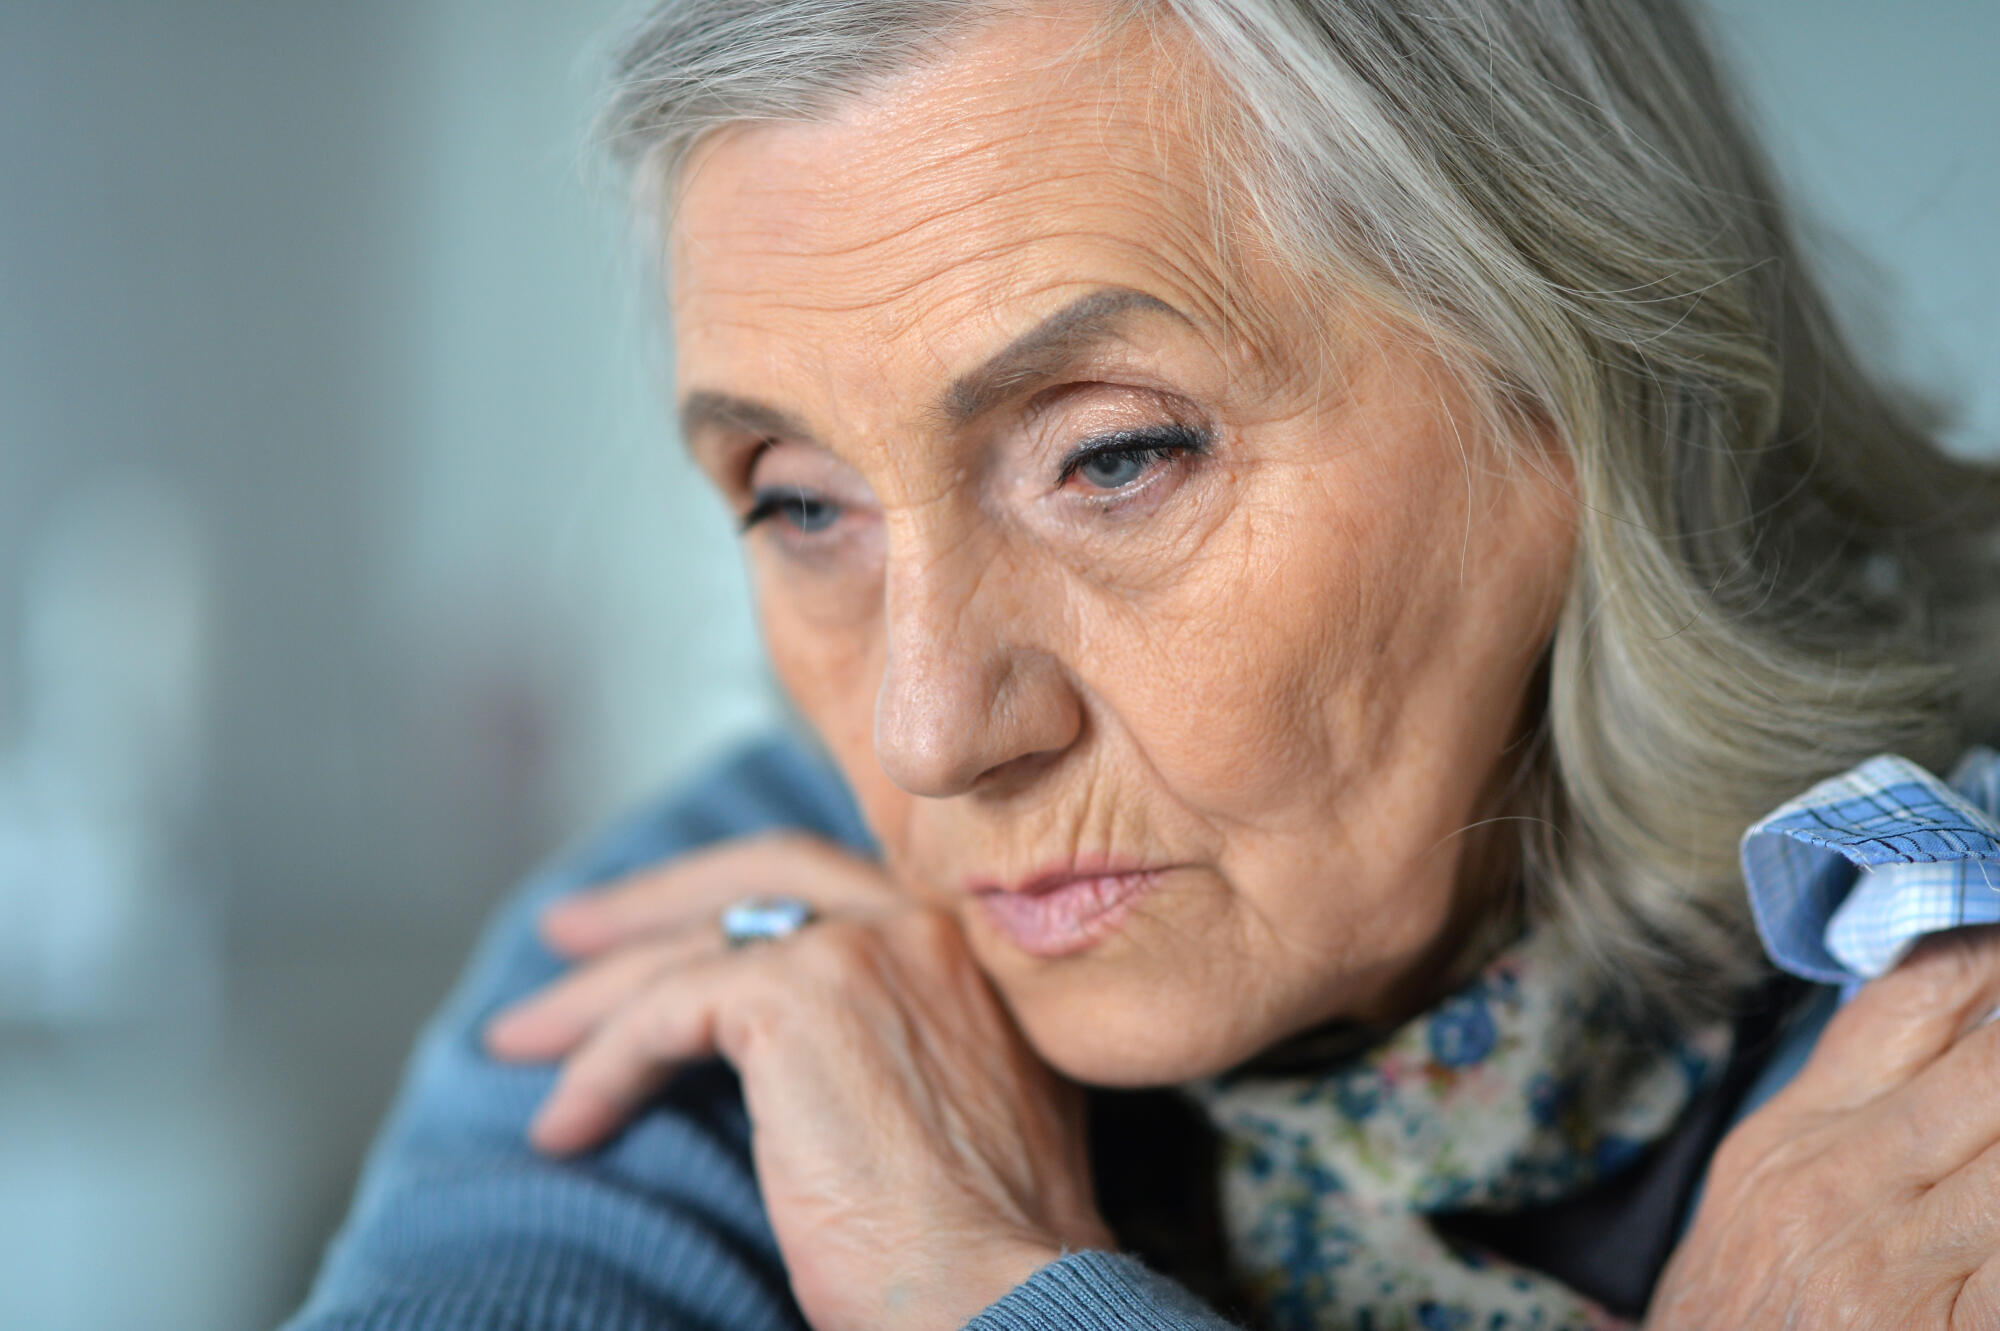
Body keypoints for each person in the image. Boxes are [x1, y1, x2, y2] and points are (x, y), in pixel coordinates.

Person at [283, 2, 2000, 1327]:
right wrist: (988, 1280)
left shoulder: (1943, 1020)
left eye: (1112, 458)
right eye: (803, 503)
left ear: (1574, 392)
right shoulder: (728, 967)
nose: (933, 727)